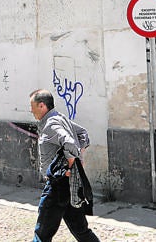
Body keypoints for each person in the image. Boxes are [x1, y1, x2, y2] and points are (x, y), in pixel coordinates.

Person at [29, 89, 99, 242]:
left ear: (41, 106)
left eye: (32, 106)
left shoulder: (51, 124)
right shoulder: (59, 118)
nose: (30, 110)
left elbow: (70, 143)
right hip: (69, 186)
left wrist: (70, 163)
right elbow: (83, 134)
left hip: (57, 187)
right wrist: (77, 156)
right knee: (81, 231)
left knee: (42, 234)